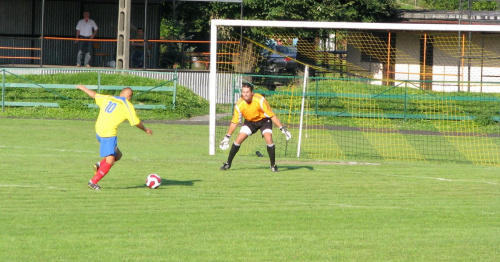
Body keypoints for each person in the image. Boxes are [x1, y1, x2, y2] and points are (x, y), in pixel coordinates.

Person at [76, 85, 153, 190]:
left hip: (98, 131)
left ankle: (99, 165)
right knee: (110, 161)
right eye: (130, 97)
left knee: (118, 155)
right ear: (128, 96)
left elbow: (94, 95)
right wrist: (146, 129)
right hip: (108, 134)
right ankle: (93, 182)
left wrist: (83, 88)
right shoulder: (127, 105)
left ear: (121, 93)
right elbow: (136, 122)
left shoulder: (108, 98)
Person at [219, 83, 292, 172]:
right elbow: (234, 122)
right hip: (250, 122)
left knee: (268, 138)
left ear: (252, 93)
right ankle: (228, 164)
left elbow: (272, 115)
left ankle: (273, 165)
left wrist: (282, 128)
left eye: (247, 92)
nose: (245, 94)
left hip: (264, 121)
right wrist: (227, 137)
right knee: (239, 138)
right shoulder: (239, 104)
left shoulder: (260, 100)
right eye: (243, 92)